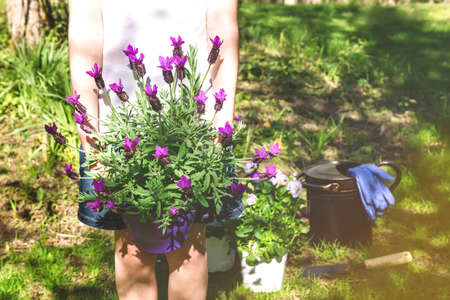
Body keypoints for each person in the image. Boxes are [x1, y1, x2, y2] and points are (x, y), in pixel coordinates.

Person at [68, 0, 239, 299]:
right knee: (132, 250)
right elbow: (84, 47)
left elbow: (225, 42)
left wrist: (220, 128)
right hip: (118, 131)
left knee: (189, 249)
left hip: (193, 129)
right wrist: (91, 141)